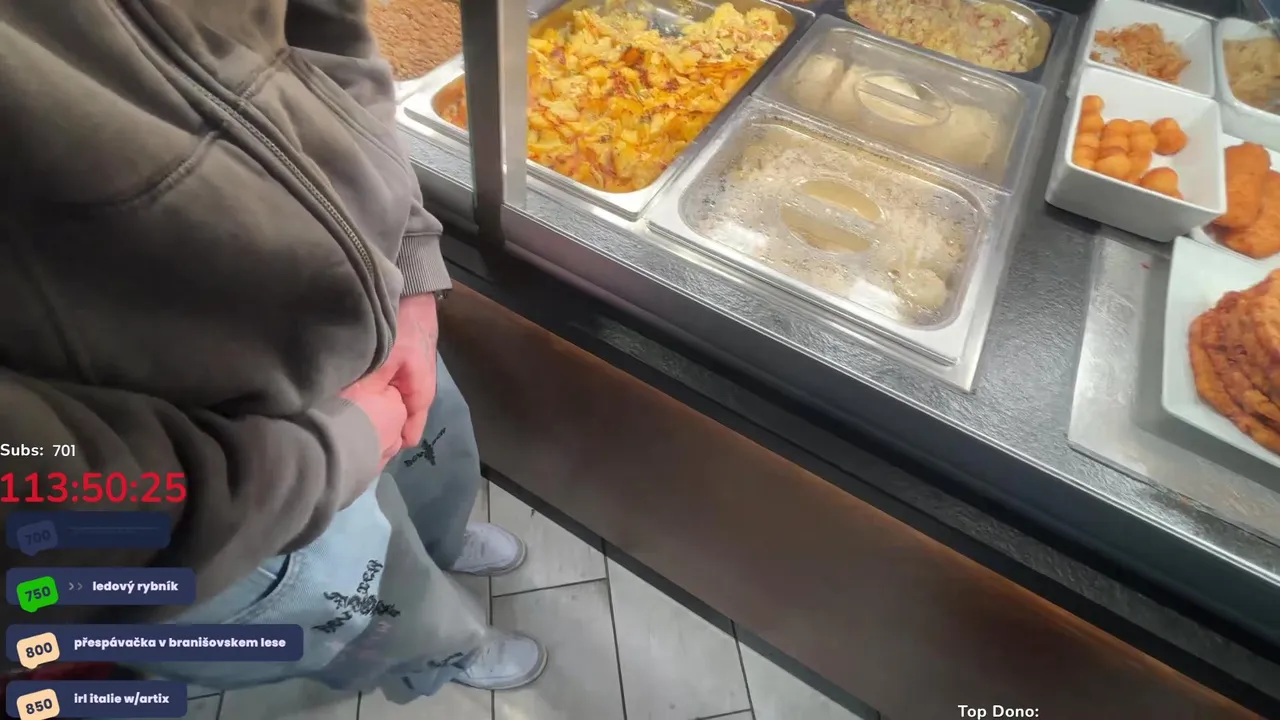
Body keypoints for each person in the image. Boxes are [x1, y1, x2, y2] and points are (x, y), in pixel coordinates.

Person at [0, 0, 546, 698]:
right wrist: (327, 456)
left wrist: (407, 254)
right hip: (220, 466)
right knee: (378, 605)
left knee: (434, 466)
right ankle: (440, 657)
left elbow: (326, 28)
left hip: (364, 312)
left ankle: (441, 544)